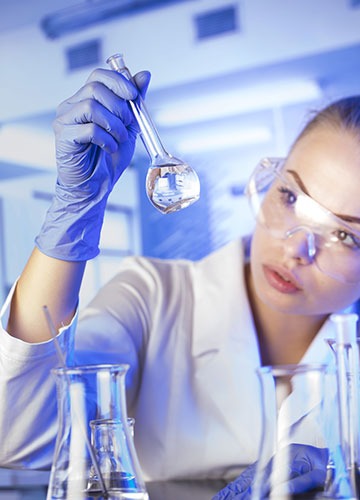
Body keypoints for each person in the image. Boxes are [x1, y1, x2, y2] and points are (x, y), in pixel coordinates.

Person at [0, 64, 359, 492]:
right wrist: (71, 221)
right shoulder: (152, 297)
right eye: (289, 196)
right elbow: (18, 434)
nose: (296, 248)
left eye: (344, 234)